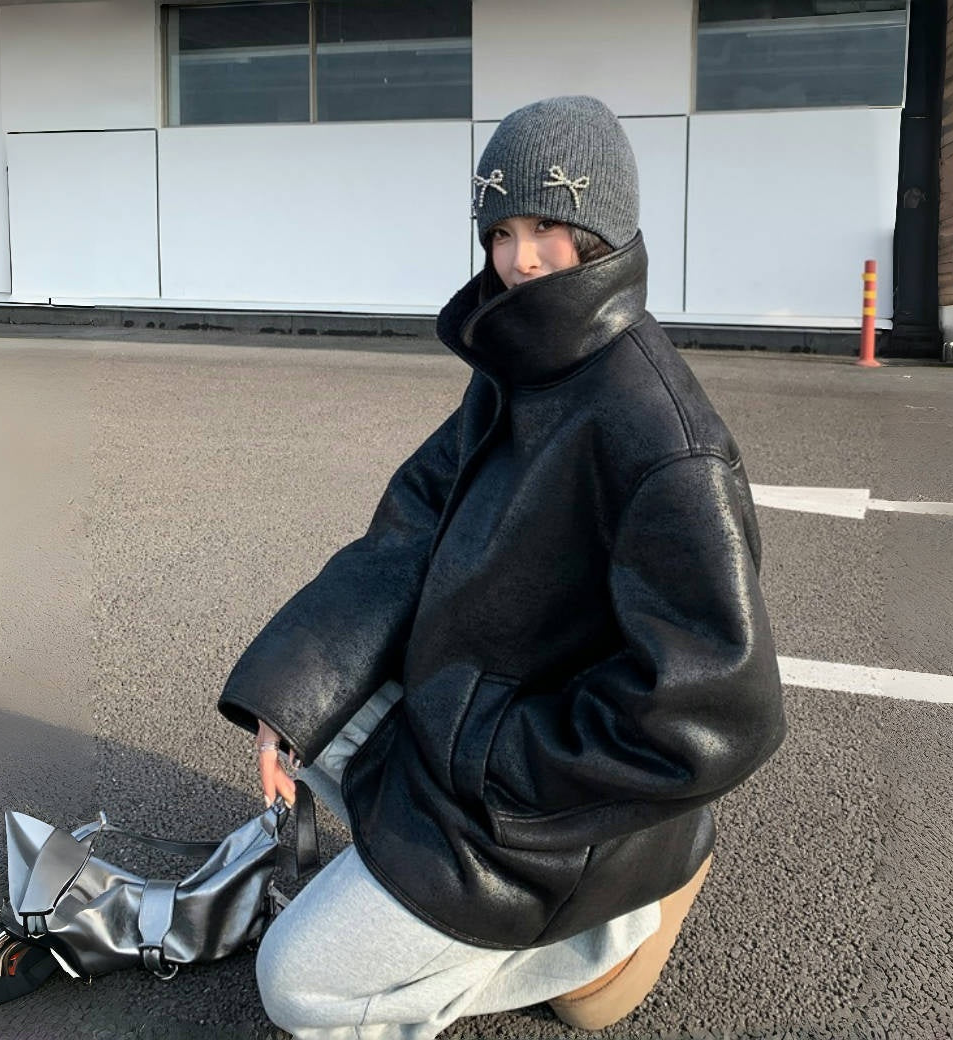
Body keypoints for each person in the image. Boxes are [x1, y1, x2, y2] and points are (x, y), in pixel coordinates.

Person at [218, 95, 786, 1040]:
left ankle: (604, 938)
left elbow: (720, 709)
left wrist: (492, 755)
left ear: (604, 231)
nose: (520, 259)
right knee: (325, 714)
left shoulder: (666, 443)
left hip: (546, 805)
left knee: (298, 986)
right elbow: (410, 527)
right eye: (501, 231)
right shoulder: (523, 363)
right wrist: (295, 696)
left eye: (548, 227)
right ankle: (477, 912)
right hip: (481, 725)